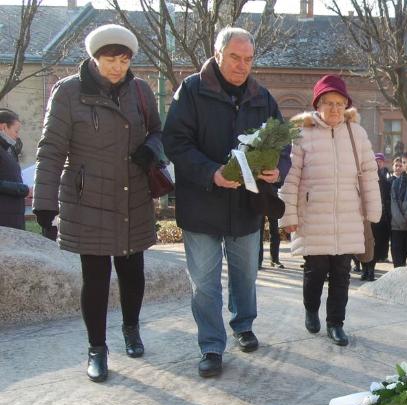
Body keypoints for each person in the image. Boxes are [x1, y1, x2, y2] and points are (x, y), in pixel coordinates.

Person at [33, 25, 161, 382]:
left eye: (124, 60)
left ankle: (131, 328)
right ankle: (96, 348)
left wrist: (152, 148)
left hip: (132, 194)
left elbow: (157, 131)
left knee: (133, 271)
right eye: (110, 59)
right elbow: (51, 149)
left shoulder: (140, 91)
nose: (117, 67)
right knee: (96, 277)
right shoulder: (68, 93)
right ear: (93, 57)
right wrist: (45, 203)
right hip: (87, 197)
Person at [163, 27, 291, 377]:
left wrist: (276, 169)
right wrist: (211, 173)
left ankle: (243, 324)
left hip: (247, 207)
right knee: (204, 282)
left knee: (246, 274)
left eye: (248, 59)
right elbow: (174, 142)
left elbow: (283, 142)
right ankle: (211, 345)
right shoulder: (191, 91)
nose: (242, 66)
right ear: (217, 53)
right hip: (202, 204)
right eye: (235, 57)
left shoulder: (262, 96)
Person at [280, 74, 381, 346]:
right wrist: (288, 215)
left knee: (342, 273)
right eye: (328, 103)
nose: (335, 109)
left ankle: (336, 323)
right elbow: (291, 177)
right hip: (313, 215)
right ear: (318, 104)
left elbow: (369, 173)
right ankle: (311, 309)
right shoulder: (302, 134)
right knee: (315, 271)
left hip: (348, 214)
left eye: (339, 103)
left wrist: (371, 211)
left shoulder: (356, 133)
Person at [0, 109, 28, 230]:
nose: (17, 135)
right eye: (15, 131)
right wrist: (22, 189)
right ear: (3, 127)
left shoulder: (7, 151)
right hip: (4, 221)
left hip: (11, 218)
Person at [365, 152, 392, 278]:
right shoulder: (364, 176)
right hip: (365, 215)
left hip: (379, 215)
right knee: (364, 242)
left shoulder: (385, 178)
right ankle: (365, 268)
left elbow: (387, 196)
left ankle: (371, 269)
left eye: (379, 162)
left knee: (376, 243)